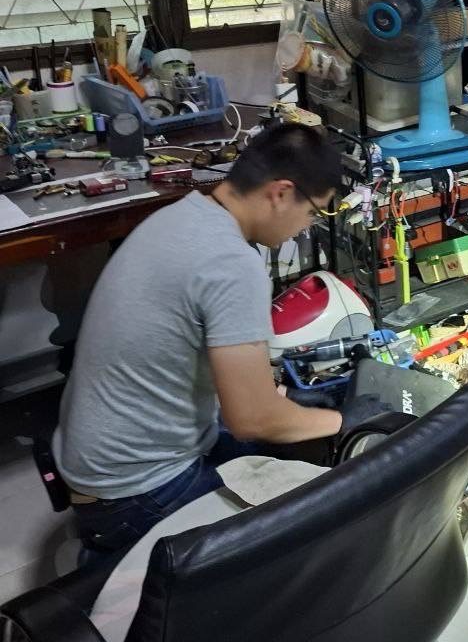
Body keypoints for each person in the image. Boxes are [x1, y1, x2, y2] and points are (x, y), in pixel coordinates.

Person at [53, 123, 380, 559]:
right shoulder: (231, 264)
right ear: (281, 193)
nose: (306, 228)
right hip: (135, 492)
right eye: (314, 212)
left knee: (289, 433)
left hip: (93, 462)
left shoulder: (182, 215)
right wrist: (343, 421)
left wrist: (286, 400)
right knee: (322, 526)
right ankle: (123, 557)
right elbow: (253, 419)